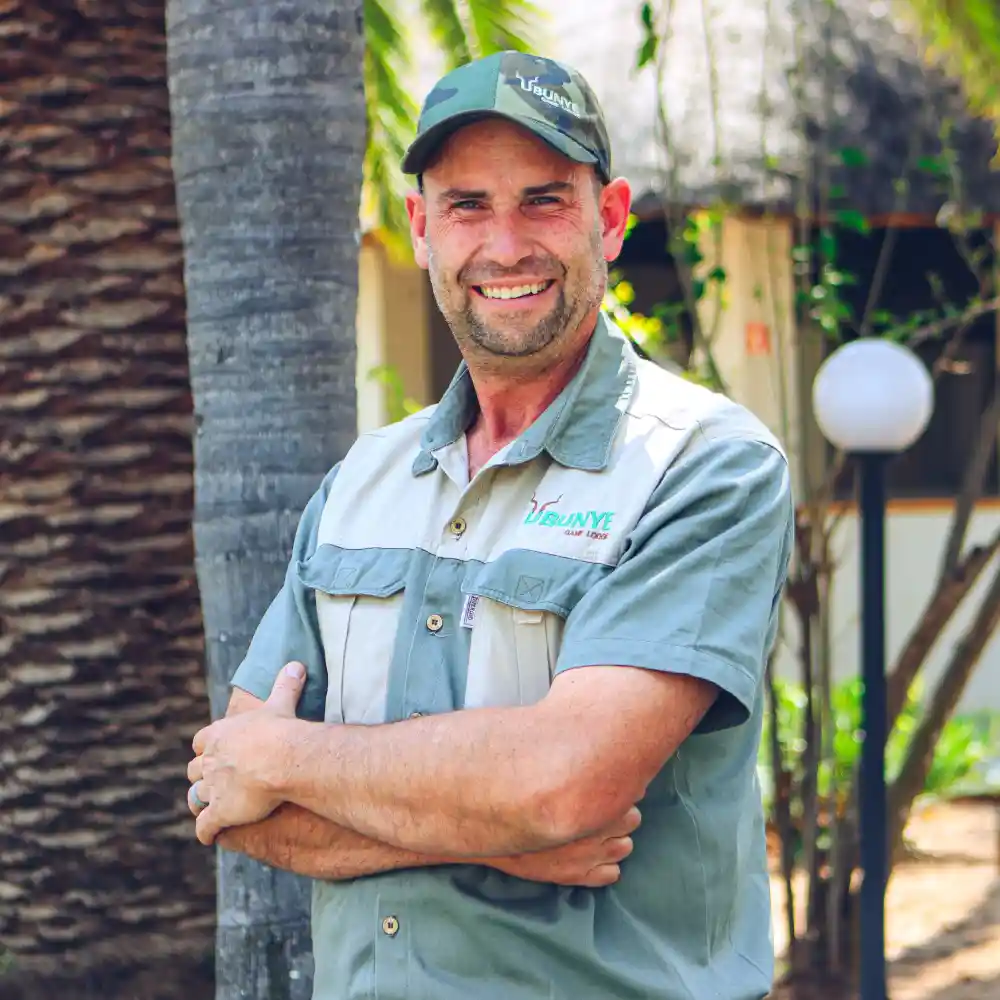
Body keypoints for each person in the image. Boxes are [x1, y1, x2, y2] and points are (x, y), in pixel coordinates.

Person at [185, 50, 795, 1000]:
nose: (505, 246)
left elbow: (564, 783)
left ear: (610, 218)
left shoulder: (704, 465)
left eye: (543, 201)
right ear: (422, 228)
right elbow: (233, 800)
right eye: (467, 206)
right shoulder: (361, 481)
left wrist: (291, 758)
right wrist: (500, 841)